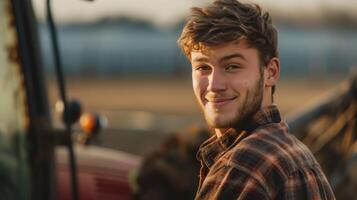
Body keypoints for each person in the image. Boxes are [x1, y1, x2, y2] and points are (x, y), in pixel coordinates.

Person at [177, 0, 336, 199]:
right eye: (203, 67)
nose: (214, 85)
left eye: (232, 66)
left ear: (271, 72)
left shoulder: (246, 166)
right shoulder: (295, 154)